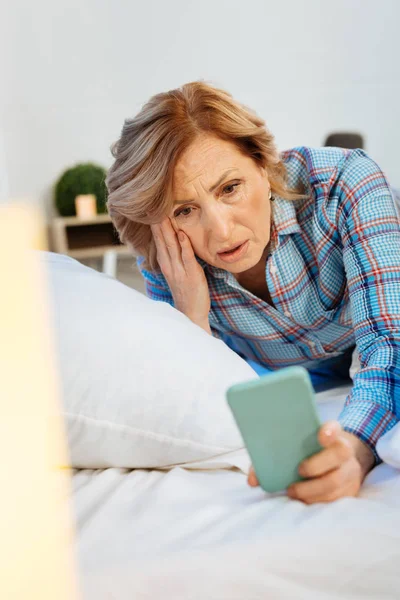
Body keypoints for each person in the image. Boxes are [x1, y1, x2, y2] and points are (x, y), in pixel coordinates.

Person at [106, 81, 400, 504]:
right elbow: (182, 403)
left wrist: (354, 447)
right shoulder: (170, 257)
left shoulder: (344, 182)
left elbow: (389, 342)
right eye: (185, 210)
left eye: (230, 188)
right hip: (312, 369)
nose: (221, 231)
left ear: (262, 164)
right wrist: (192, 319)